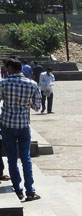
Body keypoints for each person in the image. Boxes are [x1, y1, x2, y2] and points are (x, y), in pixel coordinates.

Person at [0, 58, 41, 201]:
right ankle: (30, 191)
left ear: (10, 68)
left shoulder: (3, 83)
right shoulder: (32, 84)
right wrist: (28, 102)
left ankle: (18, 190)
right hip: (23, 126)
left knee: (12, 159)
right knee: (26, 159)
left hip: (7, 125)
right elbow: (37, 107)